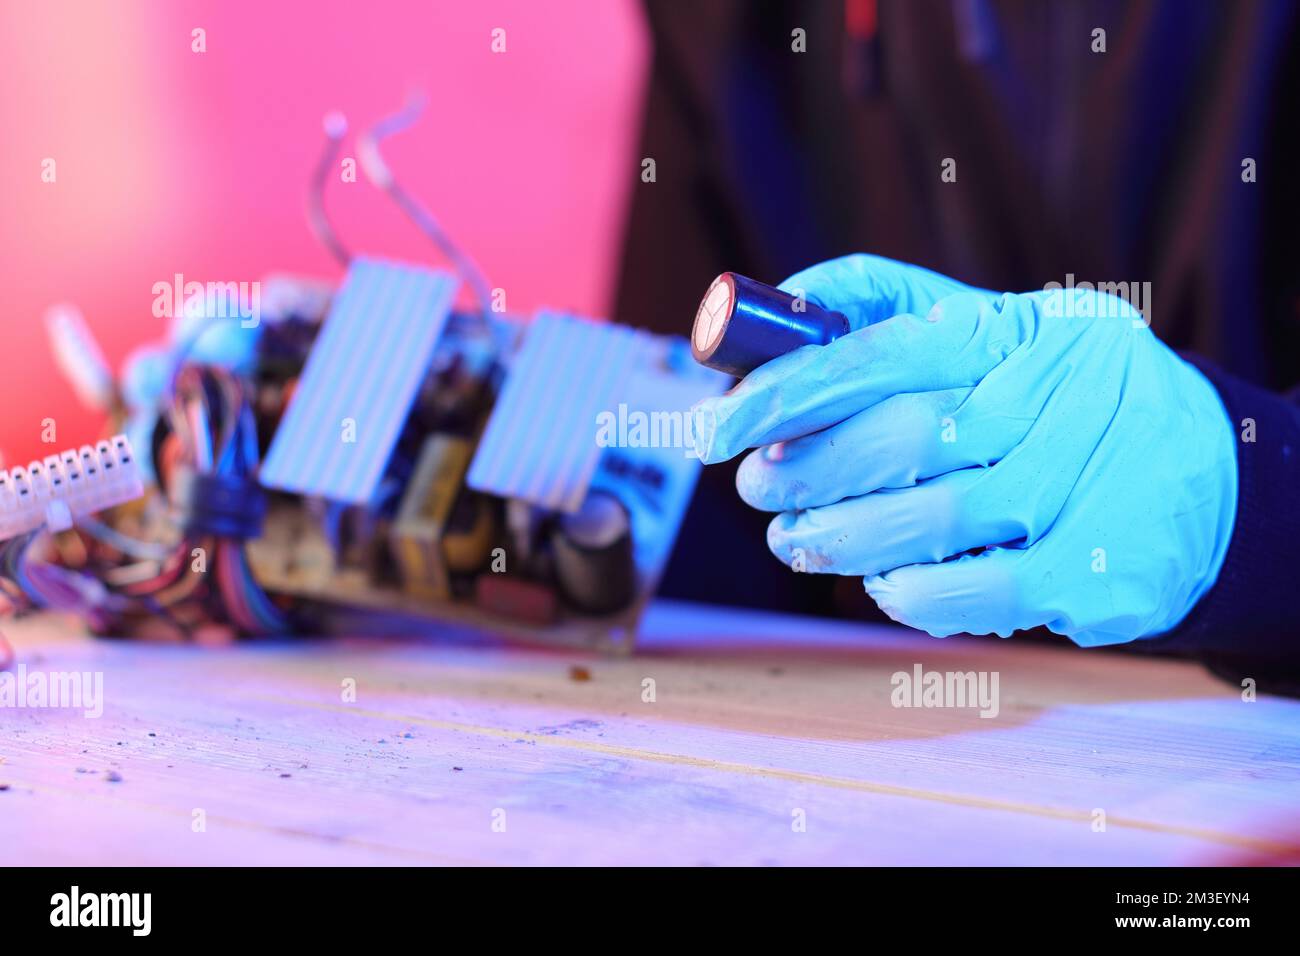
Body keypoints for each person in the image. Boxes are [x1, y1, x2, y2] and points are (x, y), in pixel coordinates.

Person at [615, 0, 1300, 692]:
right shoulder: (723, 23)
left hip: (1238, 732)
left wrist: (1244, 502)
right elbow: (707, 506)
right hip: (889, 727)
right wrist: (540, 519)